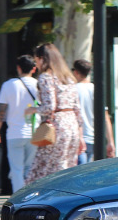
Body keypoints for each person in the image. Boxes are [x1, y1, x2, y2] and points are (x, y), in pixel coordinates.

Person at [26, 43, 85, 183]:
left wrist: (33, 109)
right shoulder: (69, 78)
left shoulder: (46, 77)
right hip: (72, 126)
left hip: (56, 126)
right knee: (66, 168)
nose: (37, 63)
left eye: (37, 60)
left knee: (44, 171)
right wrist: (81, 135)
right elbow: (77, 108)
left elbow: (49, 106)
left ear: (42, 59)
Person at [0, 55, 39, 192]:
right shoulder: (39, 85)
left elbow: (1, 112)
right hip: (35, 132)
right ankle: (31, 198)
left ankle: (19, 201)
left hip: (14, 133)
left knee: (16, 170)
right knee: (30, 168)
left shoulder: (8, 85)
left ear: (18, 68)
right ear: (34, 69)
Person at [72, 59, 114, 163]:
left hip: (78, 138)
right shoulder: (96, 89)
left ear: (76, 72)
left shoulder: (72, 89)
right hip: (94, 138)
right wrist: (110, 141)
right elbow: (105, 117)